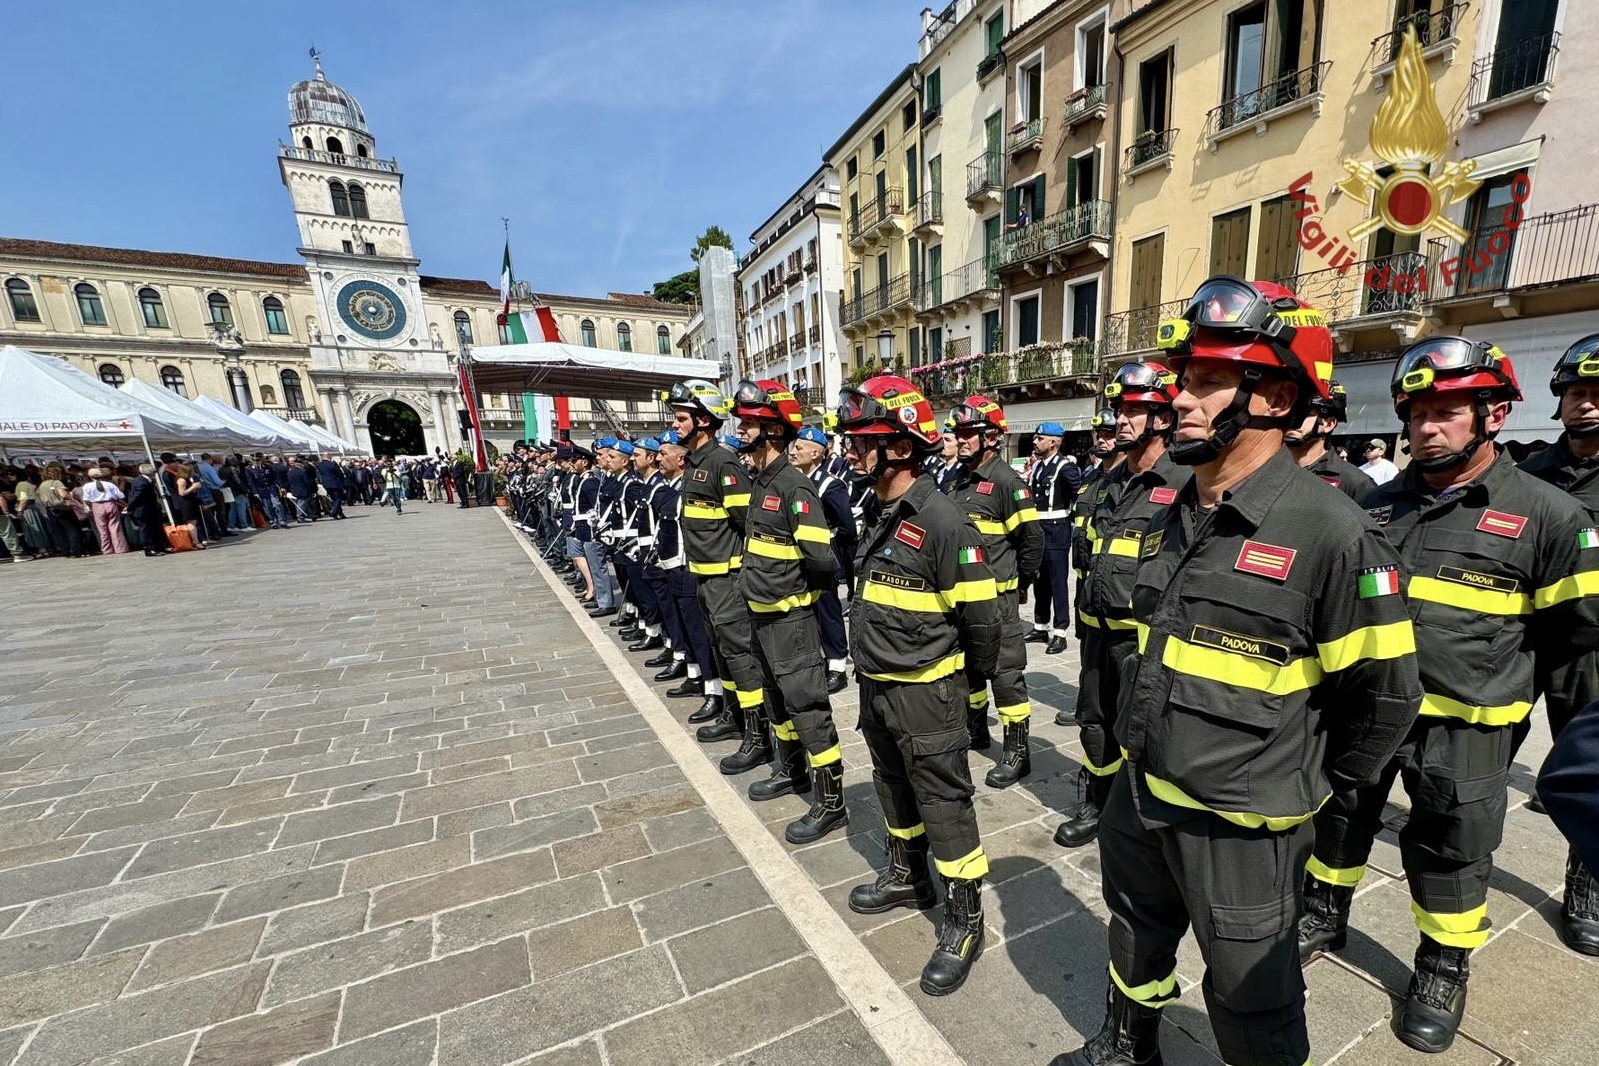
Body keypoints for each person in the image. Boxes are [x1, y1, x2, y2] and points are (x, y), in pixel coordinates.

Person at [1051, 277, 1422, 1066]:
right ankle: (1128, 1046)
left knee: (1252, 1000)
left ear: (1278, 397)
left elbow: (1384, 699)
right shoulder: (1163, 507)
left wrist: (1303, 792)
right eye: (1185, 379)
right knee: (1133, 937)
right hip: (1140, 791)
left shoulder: (1333, 534)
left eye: (1211, 381)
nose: (1182, 399)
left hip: (1241, 827)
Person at [1300, 336, 1599, 1053]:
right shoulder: (1377, 505)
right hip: (1370, 714)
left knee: (1452, 848)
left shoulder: (1549, 516)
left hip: (1465, 729)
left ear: (1493, 414)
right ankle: (1322, 908)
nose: (1424, 428)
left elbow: (1577, 641)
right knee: (1339, 818)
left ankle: (1441, 962)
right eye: (1415, 414)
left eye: (1444, 412)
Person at [837, 373, 1002, 997]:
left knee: (944, 803)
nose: (851, 451)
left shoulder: (944, 523)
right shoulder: (879, 511)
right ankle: (908, 874)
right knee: (891, 787)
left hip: (926, 694)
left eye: (863, 441)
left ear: (902, 448)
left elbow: (983, 624)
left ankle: (964, 918)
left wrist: (961, 693)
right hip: (877, 686)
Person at [1055, 363, 1187, 849]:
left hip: (1144, 642)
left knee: (1146, 732)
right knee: (1096, 722)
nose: (1123, 420)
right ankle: (1097, 801)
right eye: (1121, 410)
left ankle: (1144, 819)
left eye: (1136, 411)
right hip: (1097, 632)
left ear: (1163, 420)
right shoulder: (1105, 483)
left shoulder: (1186, 485)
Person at [724, 379, 846, 844]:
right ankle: (790, 771)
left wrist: (802, 601)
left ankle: (832, 800)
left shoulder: (796, 487)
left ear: (773, 430)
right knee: (776, 701)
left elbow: (821, 561)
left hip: (790, 619)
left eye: (750, 423)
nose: (741, 428)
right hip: (761, 613)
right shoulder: (760, 481)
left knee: (808, 707)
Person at [1519, 332, 1599, 954]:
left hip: (1591, 647)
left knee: (1589, 773)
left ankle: (1587, 878)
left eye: (1598, 392)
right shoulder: (1532, 473)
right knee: (1484, 754)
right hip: (1524, 638)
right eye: (1576, 391)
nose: (1586, 403)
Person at [944, 394, 1042, 788]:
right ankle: (976, 730)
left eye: (970, 432)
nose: (961, 439)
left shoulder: (1007, 482)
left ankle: (1018, 751)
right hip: (965, 601)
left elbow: (1031, 542)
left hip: (998, 602)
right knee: (970, 671)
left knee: (1005, 675)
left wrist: (1018, 586)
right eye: (960, 432)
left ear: (991, 438)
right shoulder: (958, 479)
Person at [668, 379, 761, 746]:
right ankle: (733, 715)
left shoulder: (724, 463)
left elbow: (747, 524)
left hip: (727, 580)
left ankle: (757, 733)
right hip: (704, 579)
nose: (675, 425)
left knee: (740, 655)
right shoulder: (695, 462)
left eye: (681, 418)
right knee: (722, 652)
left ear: (703, 420)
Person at [1057, 408, 1123, 728]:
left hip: (1111, 584)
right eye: (1101, 434)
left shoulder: (1128, 481)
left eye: (1110, 434)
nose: (1104, 440)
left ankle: (1110, 710)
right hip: (1084, 580)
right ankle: (1085, 703)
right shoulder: (1091, 478)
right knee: (1086, 647)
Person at [790, 426, 855, 693]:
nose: (794, 452)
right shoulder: (796, 481)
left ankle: (837, 666)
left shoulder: (830, 484)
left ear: (816, 453)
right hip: (800, 558)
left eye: (799, 448)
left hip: (823, 559)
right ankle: (818, 659)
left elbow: (847, 527)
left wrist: (829, 548)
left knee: (828, 612)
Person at [1027, 422, 1081, 654]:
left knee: (1058, 582)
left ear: (1053, 442)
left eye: (1039, 438)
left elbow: (1079, 495)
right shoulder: (1038, 467)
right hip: (1039, 530)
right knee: (1040, 581)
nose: (1035, 441)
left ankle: (1060, 631)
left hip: (1057, 530)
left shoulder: (1064, 467)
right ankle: (1040, 626)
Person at [1284, 381, 1379, 504]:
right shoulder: (1265, 469)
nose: (1293, 420)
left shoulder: (1356, 483)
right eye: (1288, 412)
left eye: (1304, 414)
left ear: (1329, 424)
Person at [80, 468, 129, 554]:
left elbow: (86, 499)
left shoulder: (87, 486)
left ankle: (107, 549)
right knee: (115, 527)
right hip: (110, 505)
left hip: (96, 506)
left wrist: (90, 508)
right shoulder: (109, 484)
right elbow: (120, 495)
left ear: (90, 476)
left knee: (102, 529)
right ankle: (120, 548)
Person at [125, 463, 169, 556]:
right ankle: (148, 549)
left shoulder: (146, 480)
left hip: (152, 509)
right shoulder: (142, 482)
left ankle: (159, 547)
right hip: (144, 510)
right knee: (146, 530)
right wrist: (129, 507)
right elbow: (137, 497)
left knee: (156, 529)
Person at [172, 461, 207, 548]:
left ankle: (196, 540)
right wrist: (193, 487)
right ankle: (195, 541)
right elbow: (182, 493)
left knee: (194, 522)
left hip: (191, 500)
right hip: (186, 502)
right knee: (191, 522)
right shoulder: (181, 480)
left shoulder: (186, 479)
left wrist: (194, 488)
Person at [315, 452, 347, 519]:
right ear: (328, 456)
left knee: (333, 499)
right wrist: (343, 481)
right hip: (335, 484)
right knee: (338, 499)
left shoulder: (319, 465)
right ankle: (334, 512)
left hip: (326, 484)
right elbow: (339, 473)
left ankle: (340, 514)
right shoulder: (332, 464)